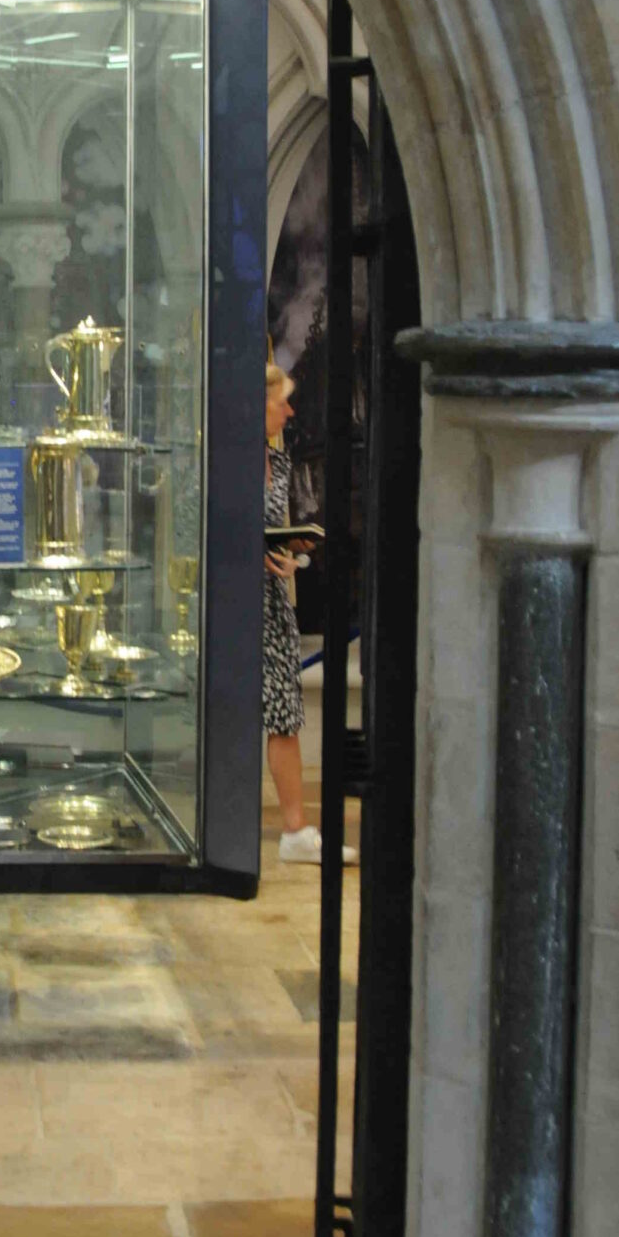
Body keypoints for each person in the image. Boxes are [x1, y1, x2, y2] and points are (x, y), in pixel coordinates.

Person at [264, 360, 354, 867]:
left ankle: (295, 829)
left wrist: (291, 545)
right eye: (281, 402)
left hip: (272, 604)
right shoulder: (225, 460)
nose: (290, 412)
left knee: (285, 715)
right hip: (236, 606)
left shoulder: (277, 462)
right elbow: (202, 525)